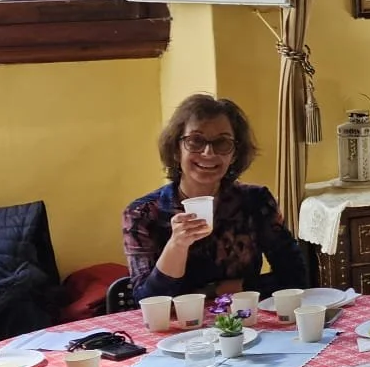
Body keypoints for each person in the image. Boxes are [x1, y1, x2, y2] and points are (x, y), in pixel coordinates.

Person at [122, 94, 309, 301]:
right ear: (176, 150)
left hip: (244, 323)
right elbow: (147, 302)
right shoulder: (143, 213)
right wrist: (177, 245)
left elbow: (296, 277)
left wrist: (217, 290)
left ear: (235, 154)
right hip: (180, 330)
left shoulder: (255, 201)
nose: (209, 152)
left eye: (222, 143)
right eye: (195, 141)